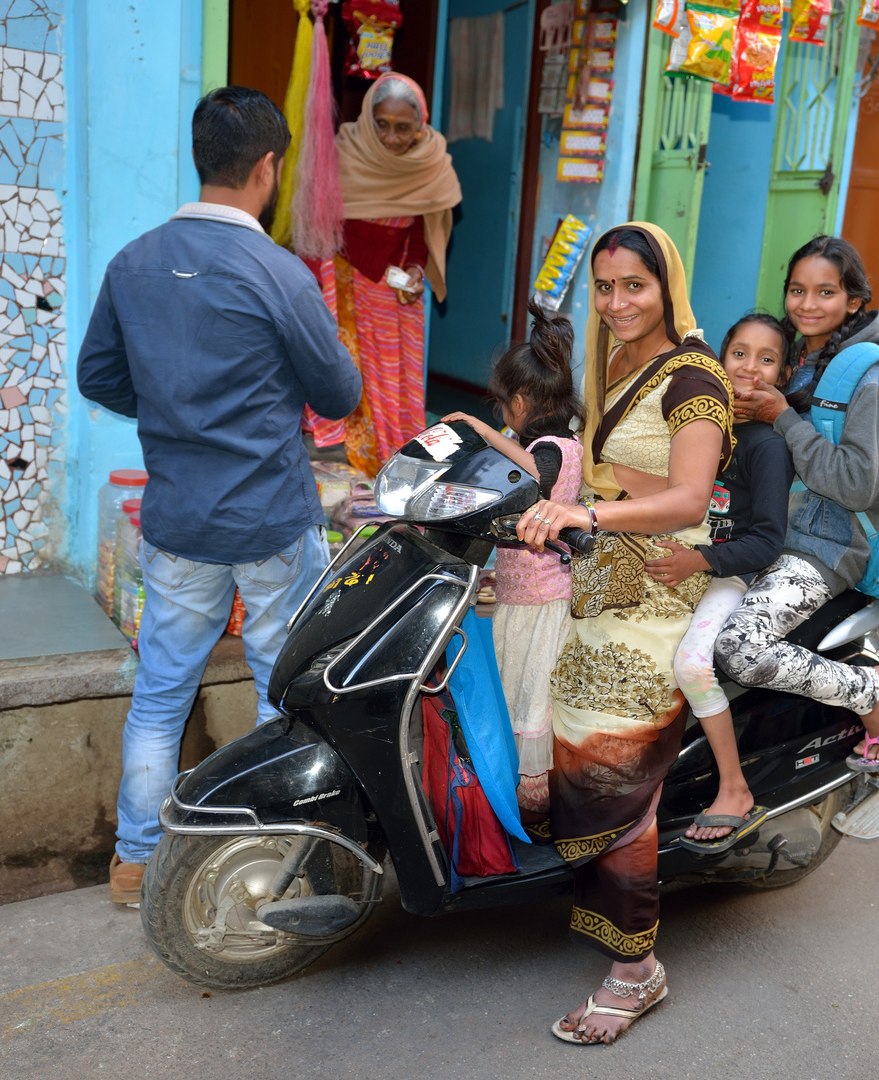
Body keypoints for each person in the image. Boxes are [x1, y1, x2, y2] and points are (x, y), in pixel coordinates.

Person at [77, 87, 363, 905]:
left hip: (177, 519)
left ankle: (133, 863)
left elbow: (98, 375)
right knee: (285, 689)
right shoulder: (277, 272)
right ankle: (284, 846)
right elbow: (339, 393)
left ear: (201, 157)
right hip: (270, 517)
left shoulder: (132, 262)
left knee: (162, 692)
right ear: (268, 166)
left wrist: (172, 410)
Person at [516, 222, 731, 1046]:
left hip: (664, 587)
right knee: (578, 755)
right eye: (605, 288)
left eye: (633, 286)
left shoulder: (693, 379)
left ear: (665, 286)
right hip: (602, 581)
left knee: (617, 773)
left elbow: (688, 499)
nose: (617, 302)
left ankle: (635, 972)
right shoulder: (610, 359)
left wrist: (587, 512)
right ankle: (607, 916)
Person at [723, 236, 879, 766]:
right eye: (797, 290)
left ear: (854, 301)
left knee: (738, 648)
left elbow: (857, 484)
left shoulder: (871, 374)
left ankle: (870, 689)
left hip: (826, 543)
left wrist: (782, 418)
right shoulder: (797, 356)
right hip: (765, 528)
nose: (807, 304)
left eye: (825, 292)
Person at [659, 314, 795, 851]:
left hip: (727, 573)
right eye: (740, 353)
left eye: (767, 359)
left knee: (689, 664)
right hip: (683, 557)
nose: (750, 368)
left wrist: (701, 560)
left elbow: (766, 542)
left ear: (784, 371)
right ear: (719, 356)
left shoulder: (766, 446)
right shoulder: (705, 419)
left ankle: (734, 787)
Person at [441, 303, 582, 817]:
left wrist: (484, 433)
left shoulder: (553, 448)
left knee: (527, 692)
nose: (503, 417)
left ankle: (532, 798)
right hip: (523, 594)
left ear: (519, 402)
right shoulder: (568, 438)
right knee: (519, 687)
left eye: (503, 408)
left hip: (539, 601)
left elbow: (535, 476)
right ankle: (518, 789)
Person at [331, 73, 462, 468]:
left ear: (419, 126)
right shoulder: (344, 152)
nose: (390, 137)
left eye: (402, 128)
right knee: (356, 379)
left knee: (397, 378)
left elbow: (423, 228)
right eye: (381, 125)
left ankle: (400, 461)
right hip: (349, 285)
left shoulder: (430, 161)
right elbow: (324, 225)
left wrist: (416, 269)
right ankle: (359, 464)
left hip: (397, 290)